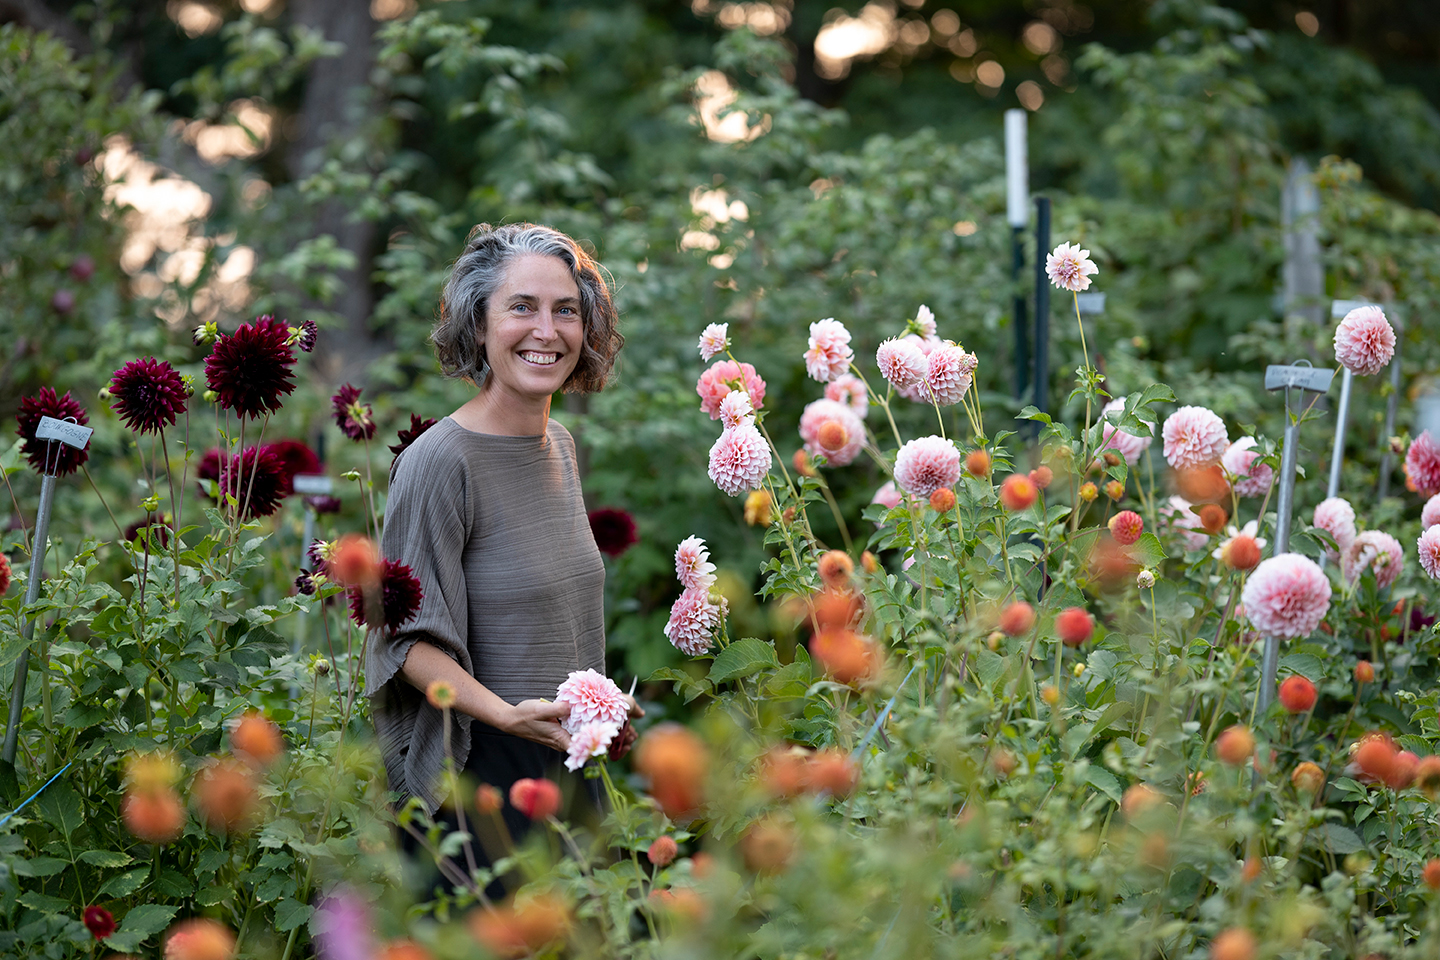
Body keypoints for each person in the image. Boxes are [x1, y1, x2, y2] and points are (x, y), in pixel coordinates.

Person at [365, 222, 636, 889]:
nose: (546, 330)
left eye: (565, 310)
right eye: (522, 307)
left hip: (569, 768)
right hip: (480, 782)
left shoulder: (562, 447)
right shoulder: (438, 462)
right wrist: (507, 715)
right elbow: (403, 642)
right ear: (478, 323)